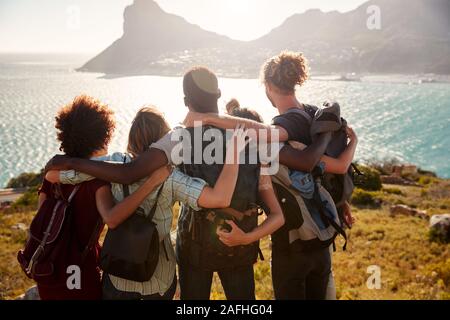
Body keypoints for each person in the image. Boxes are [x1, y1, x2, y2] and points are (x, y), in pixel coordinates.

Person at [44, 67, 336, 299]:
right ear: (219, 93)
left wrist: (71, 164)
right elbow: (299, 167)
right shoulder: (253, 138)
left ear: (185, 102)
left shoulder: (179, 138)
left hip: (193, 245)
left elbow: (130, 171)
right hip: (240, 246)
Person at [183, 52, 358, 300]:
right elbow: (334, 167)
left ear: (268, 86)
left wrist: (209, 118)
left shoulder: (287, 123)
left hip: (293, 244)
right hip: (321, 235)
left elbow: (264, 134)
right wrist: (342, 201)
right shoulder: (311, 114)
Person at [46, 107, 252, 300]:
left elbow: (53, 176)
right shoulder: (170, 177)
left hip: (118, 276)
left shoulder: (112, 165)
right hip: (159, 280)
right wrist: (234, 152)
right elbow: (220, 198)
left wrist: (80, 166)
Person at [37, 96, 171, 300]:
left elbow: (41, 217)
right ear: (102, 137)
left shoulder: (52, 177)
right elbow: (112, 217)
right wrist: (150, 183)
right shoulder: (98, 182)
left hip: (47, 266)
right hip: (80, 270)